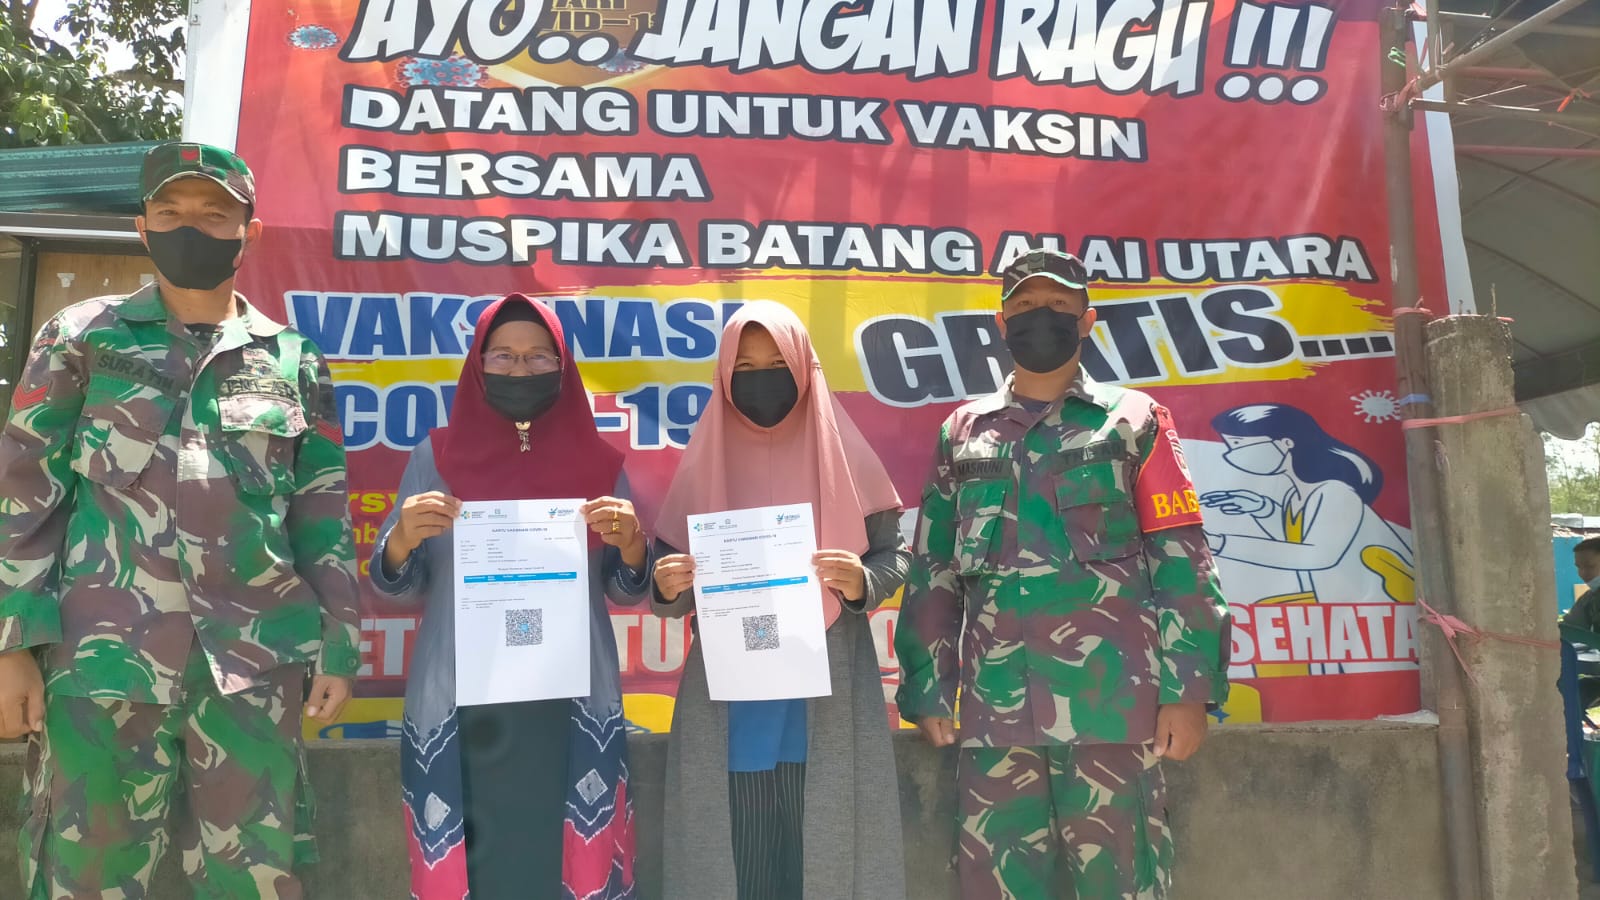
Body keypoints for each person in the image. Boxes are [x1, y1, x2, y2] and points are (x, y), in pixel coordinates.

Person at [0, 142, 362, 898]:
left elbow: (322, 511)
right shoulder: (82, 338)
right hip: (102, 665)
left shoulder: (293, 359)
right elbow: (24, 494)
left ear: (248, 233)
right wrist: (11, 648)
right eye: (169, 212)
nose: (190, 226)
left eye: (213, 214)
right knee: (82, 879)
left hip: (253, 668)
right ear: (143, 227)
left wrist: (338, 646)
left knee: (256, 881)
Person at [896, 248, 1231, 900]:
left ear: (1087, 319)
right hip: (996, 717)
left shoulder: (1135, 420)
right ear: (1001, 323)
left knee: (1122, 885)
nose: (1040, 317)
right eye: (1024, 306)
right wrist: (928, 686)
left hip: (1114, 714)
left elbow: (1182, 559)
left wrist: (1189, 691)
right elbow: (933, 568)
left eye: (1057, 305)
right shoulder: (963, 431)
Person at [370, 294, 646, 900]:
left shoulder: (600, 464)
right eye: (503, 356)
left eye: (538, 357)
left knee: (559, 861)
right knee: (479, 866)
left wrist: (631, 546)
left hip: (568, 702)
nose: (520, 369)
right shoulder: (435, 458)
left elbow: (625, 590)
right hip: (465, 705)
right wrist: (402, 540)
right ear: (478, 363)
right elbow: (401, 587)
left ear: (562, 366)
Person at [646, 300, 910, 900]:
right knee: (736, 864)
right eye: (744, 367)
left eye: (776, 365)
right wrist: (667, 586)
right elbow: (666, 582)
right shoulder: (703, 464)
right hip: (729, 705)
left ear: (803, 368)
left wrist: (861, 582)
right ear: (723, 376)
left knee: (822, 859)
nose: (761, 378)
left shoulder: (847, 458)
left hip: (826, 698)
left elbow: (894, 557)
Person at [1199, 404, 1414, 675]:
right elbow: (1293, 538)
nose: (1231, 454)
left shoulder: (1336, 492)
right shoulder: (1298, 495)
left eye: (1239, 444)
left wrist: (1221, 542)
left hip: (1382, 612)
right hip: (1344, 615)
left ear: (1285, 442)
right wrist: (1262, 508)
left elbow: (1316, 555)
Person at [1564, 537, 1600, 634]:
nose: (1582, 573)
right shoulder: (1587, 599)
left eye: (1590, 566)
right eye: (1579, 567)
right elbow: (1569, 629)